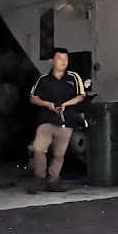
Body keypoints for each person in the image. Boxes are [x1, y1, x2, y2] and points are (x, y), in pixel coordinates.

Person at [28, 48, 85, 193]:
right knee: (39, 149)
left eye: (66, 59)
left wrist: (65, 104)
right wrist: (48, 105)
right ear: (51, 61)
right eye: (60, 59)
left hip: (67, 120)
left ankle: (53, 181)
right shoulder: (43, 79)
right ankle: (39, 179)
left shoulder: (74, 77)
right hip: (46, 119)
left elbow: (81, 96)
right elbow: (33, 98)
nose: (64, 62)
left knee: (59, 154)